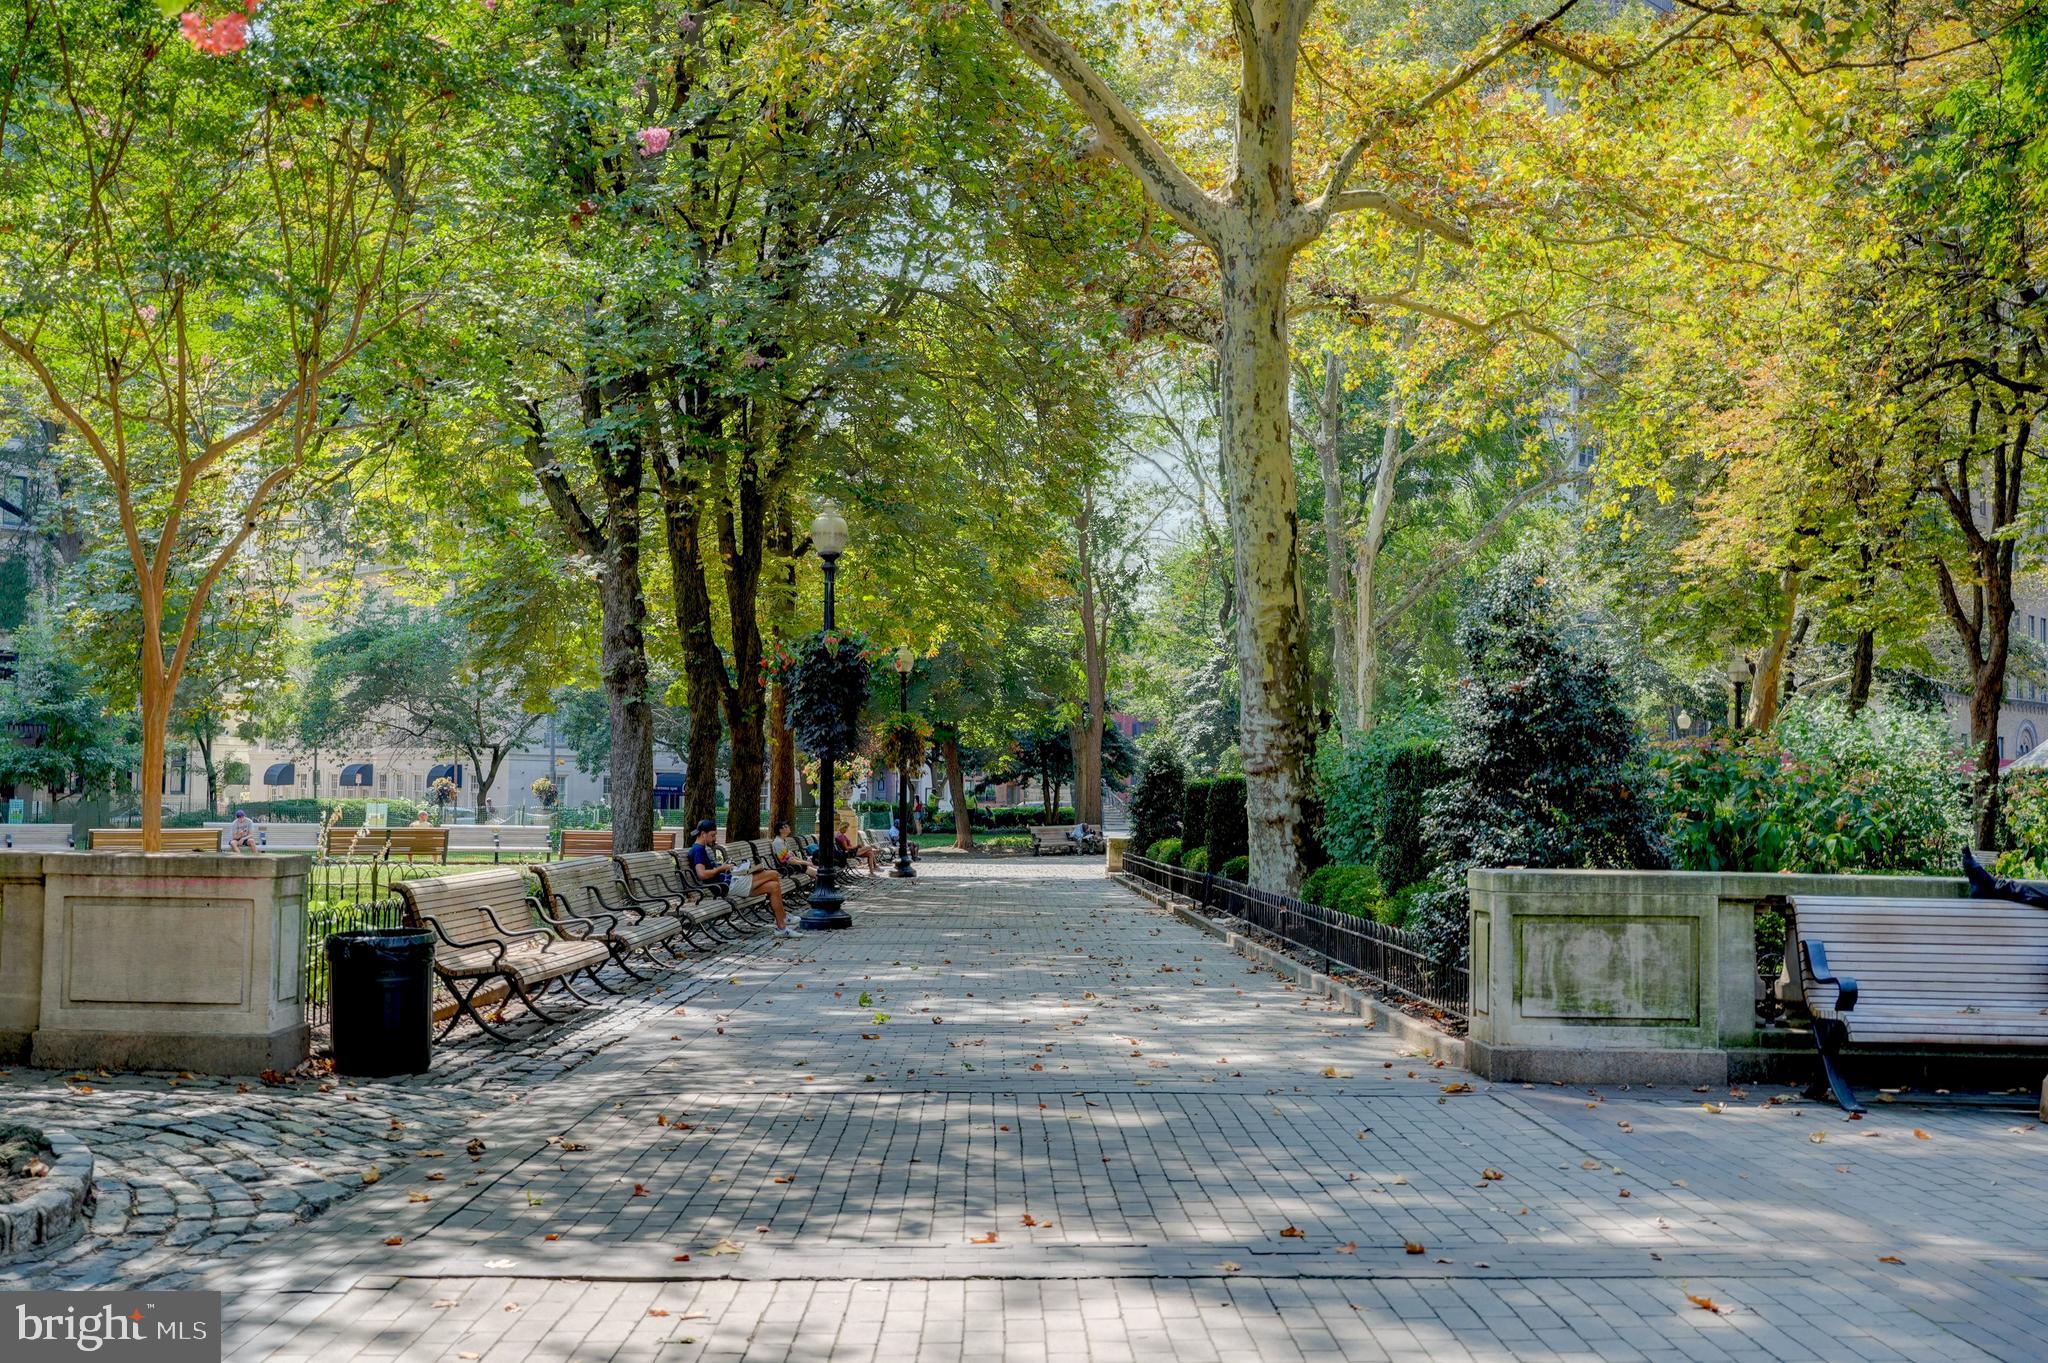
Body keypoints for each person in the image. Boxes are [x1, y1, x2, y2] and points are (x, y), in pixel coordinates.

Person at [686, 819, 794, 937]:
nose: (714, 838)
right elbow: (701, 874)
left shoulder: (700, 849)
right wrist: (721, 868)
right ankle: (783, 916)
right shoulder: (698, 850)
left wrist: (726, 868)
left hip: (729, 882)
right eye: (712, 835)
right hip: (726, 886)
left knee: (774, 887)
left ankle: (782, 927)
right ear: (703, 834)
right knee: (773, 874)